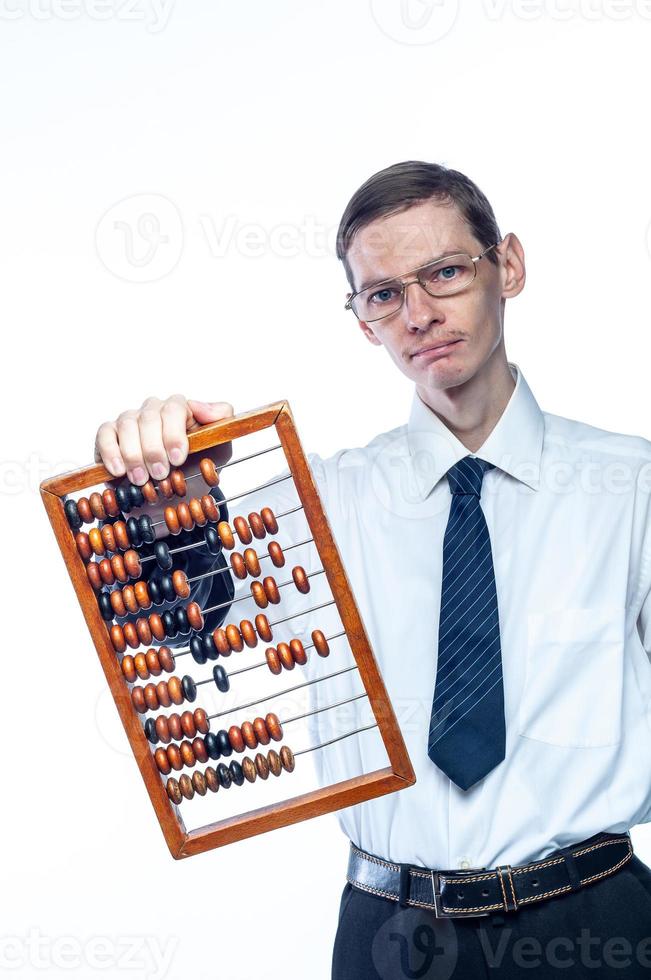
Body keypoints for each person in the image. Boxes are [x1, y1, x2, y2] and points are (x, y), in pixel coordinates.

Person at [94, 161, 651, 978]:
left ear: (510, 266)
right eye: (383, 294)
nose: (419, 314)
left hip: (596, 922)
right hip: (391, 938)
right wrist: (155, 500)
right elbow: (185, 622)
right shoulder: (313, 504)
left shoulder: (631, 486)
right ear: (360, 321)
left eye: (446, 273)